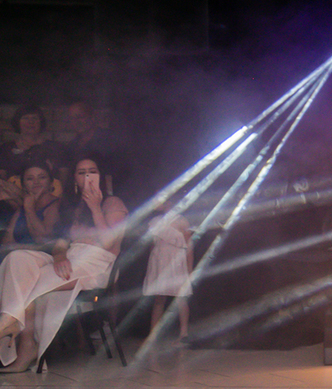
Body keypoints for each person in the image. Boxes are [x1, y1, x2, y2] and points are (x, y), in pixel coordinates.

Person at [0, 158, 126, 373]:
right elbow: (61, 243)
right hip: (70, 257)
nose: (87, 177)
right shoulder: (74, 207)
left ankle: (14, 332)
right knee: (17, 258)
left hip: (97, 263)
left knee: (30, 283)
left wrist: (95, 208)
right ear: (75, 179)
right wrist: (59, 256)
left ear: (101, 176)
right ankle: (12, 326)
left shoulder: (113, 203)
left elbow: (109, 244)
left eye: (92, 171)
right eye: (81, 172)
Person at [144, 204, 193, 344]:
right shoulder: (155, 221)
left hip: (176, 261)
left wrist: (189, 267)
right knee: (159, 298)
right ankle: (153, 334)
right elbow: (153, 245)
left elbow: (189, 245)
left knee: (181, 297)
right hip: (160, 262)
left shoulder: (181, 220)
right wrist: (151, 268)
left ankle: (184, 334)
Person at [2, 162, 61, 249]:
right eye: (30, 179)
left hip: (43, 255)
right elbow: (7, 242)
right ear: (23, 185)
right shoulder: (22, 208)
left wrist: (29, 209)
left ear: (51, 182)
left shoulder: (57, 205)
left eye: (42, 177)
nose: (36, 182)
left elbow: (42, 240)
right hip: (16, 254)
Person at [0, 105, 65, 184]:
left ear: (41, 122)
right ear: (17, 122)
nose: (30, 122)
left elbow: (63, 179)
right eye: (25, 118)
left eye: (34, 118)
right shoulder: (5, 149)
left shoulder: (56, 148)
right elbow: (2, 180)